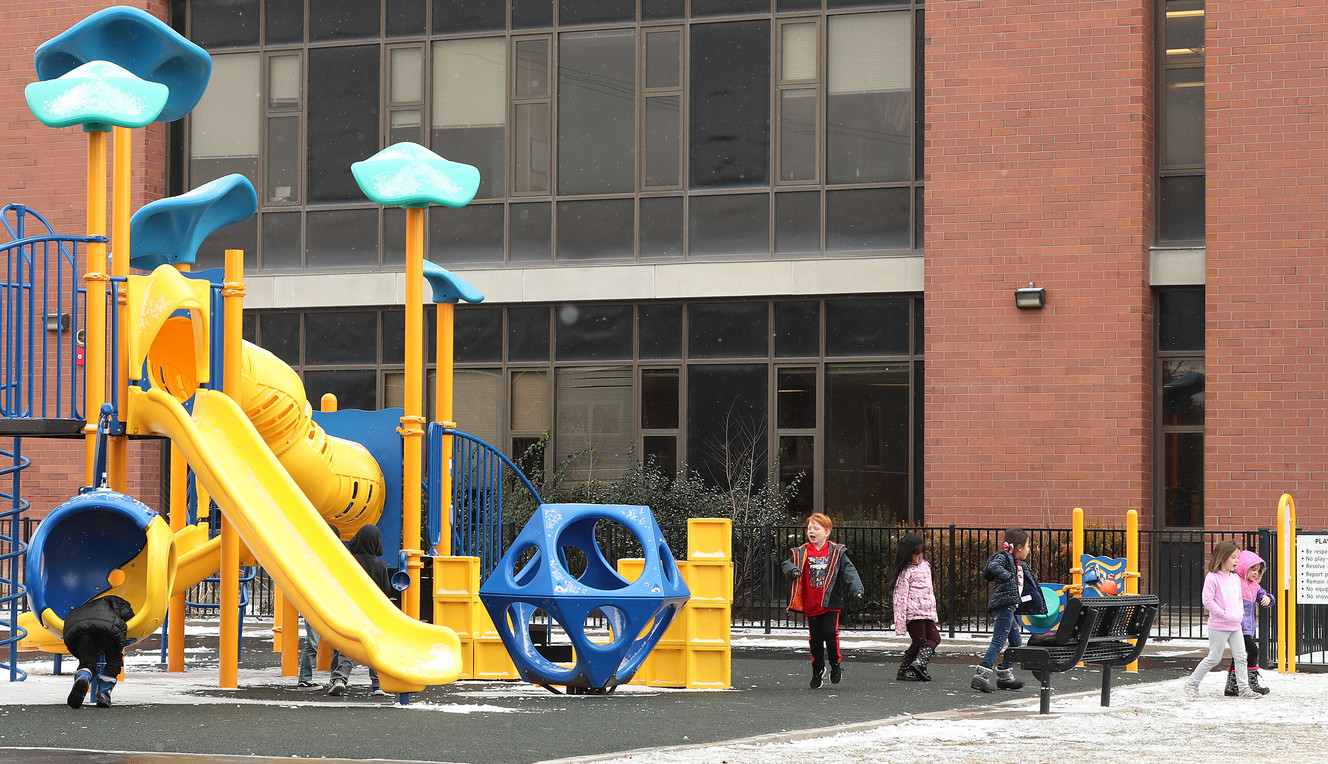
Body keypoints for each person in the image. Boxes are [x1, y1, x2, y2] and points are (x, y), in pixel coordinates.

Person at [781, 512, 864, 689]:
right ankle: (817, 670)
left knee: (829, 633)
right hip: (812, 603)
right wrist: (793, 570)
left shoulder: (836, 552)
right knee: (816, 639)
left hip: (831, 602)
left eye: (816, 528)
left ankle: (835, 665)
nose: (811, 531)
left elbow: (849, 571)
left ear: (826, 532)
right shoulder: (802, 551)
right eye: (809, 528)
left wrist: (856, 588)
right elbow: (786, 563)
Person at [971, 527, 1045, 693]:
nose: (1029, 549)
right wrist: (1007, 576)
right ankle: (981, 675)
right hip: (1003, 605)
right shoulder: (1003, 557)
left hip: (1010, 607)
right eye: (1027, 546)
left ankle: (1004, 675)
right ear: (1019, 547)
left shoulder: (1019, 564)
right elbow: (992, 567)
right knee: (998, 641)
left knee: (1016, 643)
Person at [1185, 540, 1261, 699]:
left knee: (1241, 657)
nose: (1236, 561)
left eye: (1237, 557)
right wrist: (1223, 613)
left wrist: (1240, 613)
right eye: (1233, 557)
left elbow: (1239, 598)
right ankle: (1192, 684)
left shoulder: (1234, 578)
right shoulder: (1212, 577)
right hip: (1219, 626)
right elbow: (1208, 600)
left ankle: (1244, 689)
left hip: (1235, 625)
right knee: (1214, 658)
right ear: (1223, 557)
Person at [329, 524, 393, 697]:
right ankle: (377, 684)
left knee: (348, 646)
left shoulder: (352, 561)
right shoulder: (380, 564)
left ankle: (340, 679)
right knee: (374, 648)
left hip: (352, 609)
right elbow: (386, 589)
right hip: (373, 612)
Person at [61, 594, 135, 709]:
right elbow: (128, 614)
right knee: (114, 659)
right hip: (106, 629)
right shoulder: (113, 600)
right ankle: (103, 693)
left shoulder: (82, 607)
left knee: (86, 661)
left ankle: (84, 676)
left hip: (80, 630)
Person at [888, 532, 941, 681]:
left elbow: (929, 590)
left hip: (927, 611)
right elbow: (899, 598)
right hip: (914, 613)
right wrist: (900, 622)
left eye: (921, 553)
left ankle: (918, 664)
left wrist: (933, 612)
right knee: (919, 641)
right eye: (916, 554)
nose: (920, 557)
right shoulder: (905, 573)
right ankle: (906, 668)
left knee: (934, 638)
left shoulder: (926, 566)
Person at [1225, 550, 1273, 695]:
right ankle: (1252, 682)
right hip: (1238, 626)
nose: (1256, 574)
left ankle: (1231, 686)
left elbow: (1263, 596)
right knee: (1253, 651)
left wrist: (1268, 598)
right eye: (1253, 569)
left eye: (1258, 571)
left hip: (1248, 627)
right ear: (1244, 568)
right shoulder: (1236, 582)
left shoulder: (1254, 586)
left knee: (1238, 655)